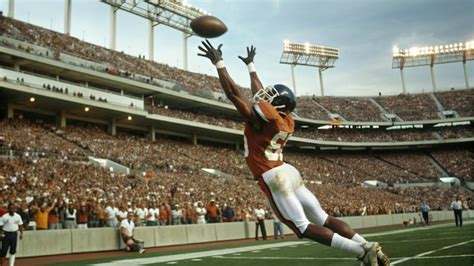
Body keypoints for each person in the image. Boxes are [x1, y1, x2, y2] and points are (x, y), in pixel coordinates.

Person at [198, 40, 389, 266]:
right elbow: (259, 92)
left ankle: (360, 251)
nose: (263, 97)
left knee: (302, 227)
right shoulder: (286, 119)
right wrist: (251, 66)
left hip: (273, 176)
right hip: (287, 170)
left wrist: (219, 63)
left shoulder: (266, 118)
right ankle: (366, 245)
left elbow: (232, 93)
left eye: (271, 97)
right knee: (323, 218)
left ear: (279, 105)